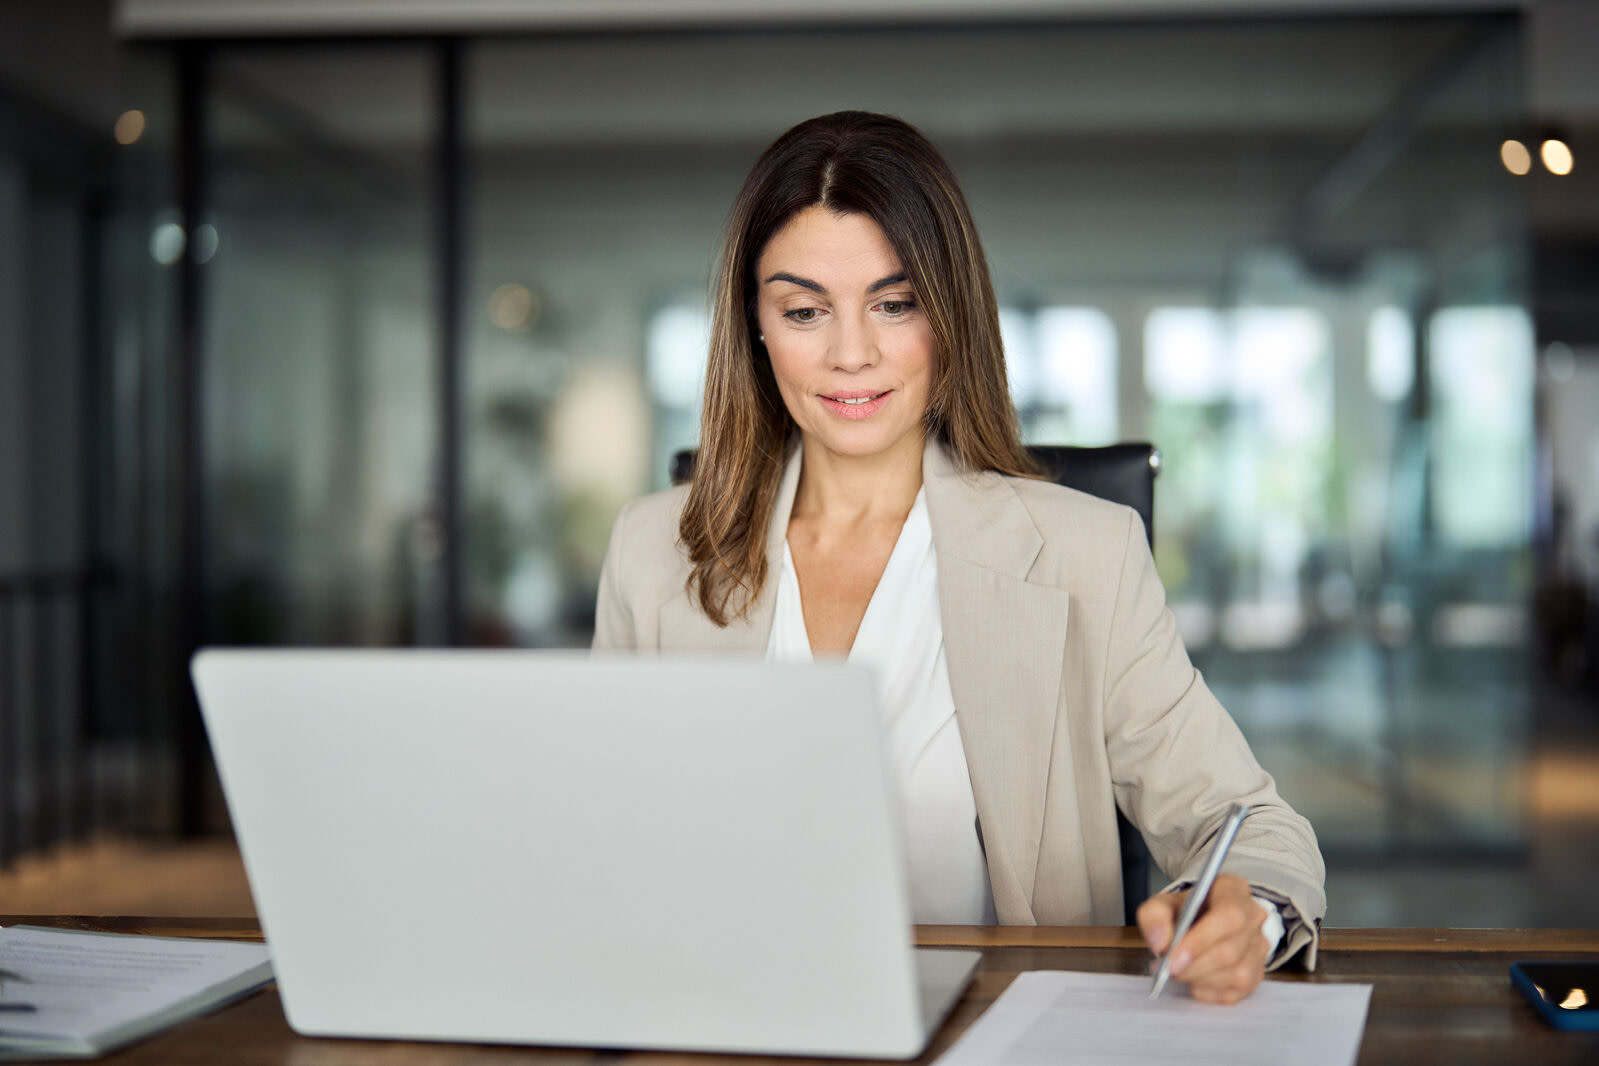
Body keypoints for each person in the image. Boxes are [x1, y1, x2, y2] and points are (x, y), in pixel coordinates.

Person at [593, 110, 1325, 1004]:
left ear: (950, 314)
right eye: (804, 309)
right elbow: (603, 848)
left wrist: (1238, 921)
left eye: (893, 304)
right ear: (755, 325)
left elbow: (1249, 829)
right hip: (731, 1029)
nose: (851, 352)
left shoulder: (1081, 555)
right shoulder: (650, 554)